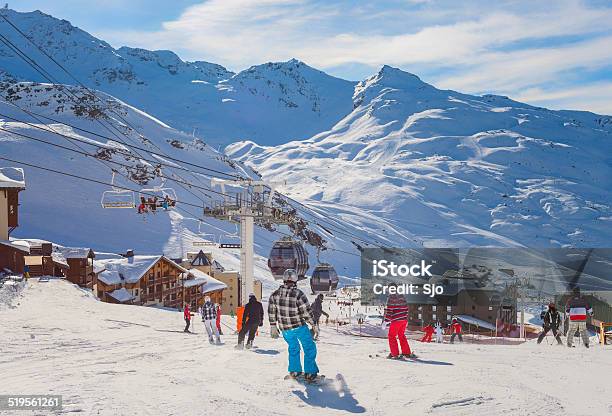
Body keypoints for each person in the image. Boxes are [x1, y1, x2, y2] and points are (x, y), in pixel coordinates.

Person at [268, 269, 319, 381]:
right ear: (296, 280)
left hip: (285, 329)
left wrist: (273, 325)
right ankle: (310, 373)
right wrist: (314, 324)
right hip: (299, 327)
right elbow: (306, 312)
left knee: (293, 347)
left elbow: (272, 311)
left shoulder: (275, 295)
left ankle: (295, 371)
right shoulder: (298, 294)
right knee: (309, 347)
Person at [383, 291, 414, 359]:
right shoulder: (402, 296)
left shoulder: (391, 297)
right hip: (404, 320)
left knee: (391, 336)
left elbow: (389, 311)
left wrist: (386, 321)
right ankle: (406, 352)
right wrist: (405, 318)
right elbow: (406, 308)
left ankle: (395, 354)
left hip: (396, 320)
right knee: (401, 335)